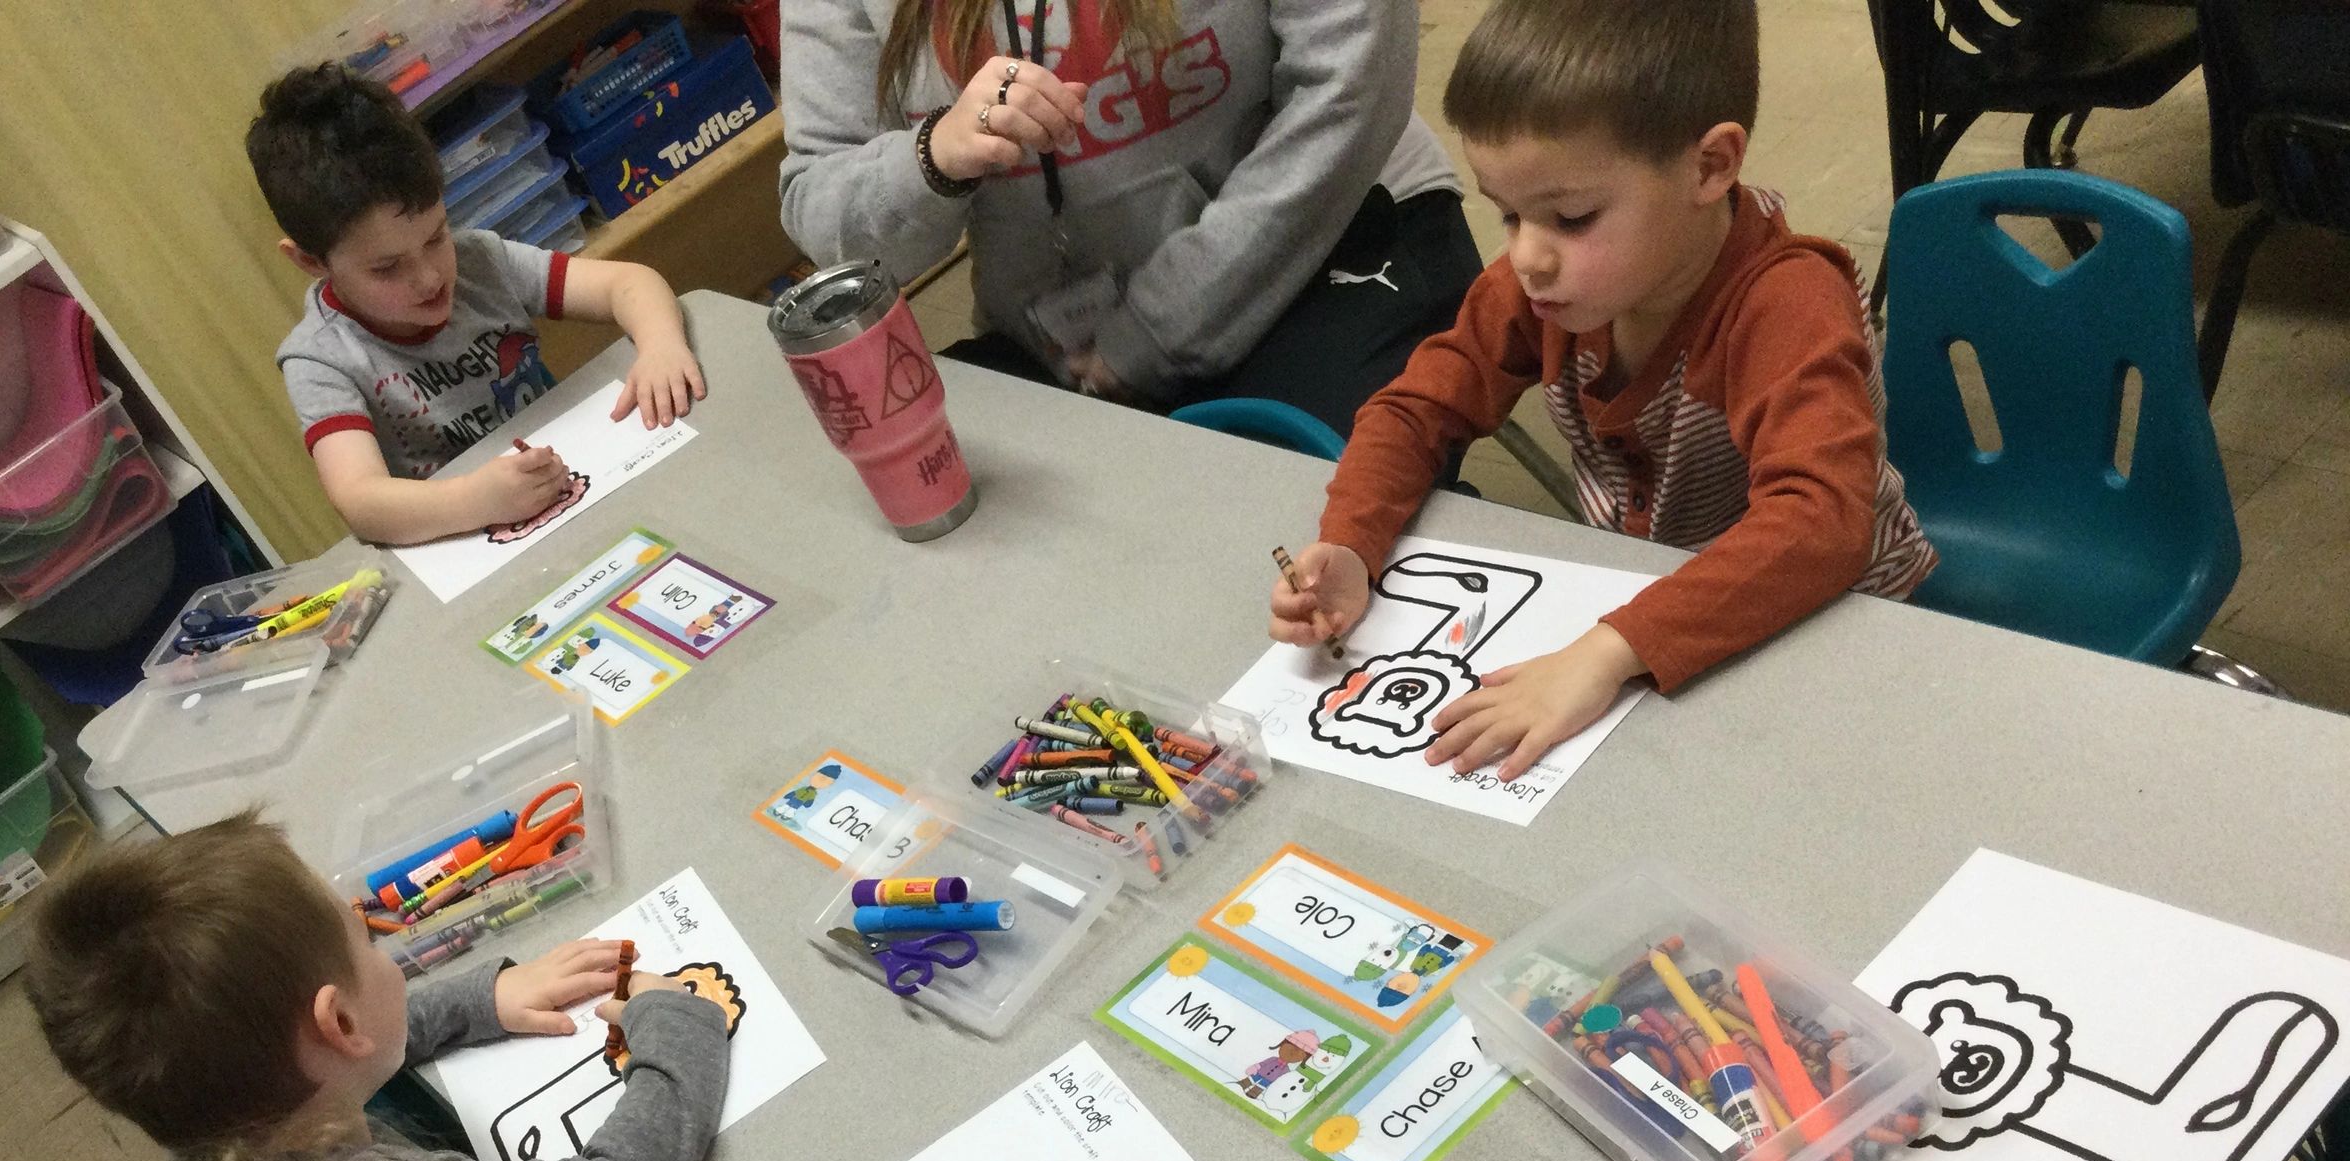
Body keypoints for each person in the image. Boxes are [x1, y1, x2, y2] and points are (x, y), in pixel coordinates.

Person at [1270, 0, 1937, 778]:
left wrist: (1603, 653)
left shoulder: (1786, 303)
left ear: (1711, 166)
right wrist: (1351, 541)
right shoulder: (1549, 287)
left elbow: (1820, 525)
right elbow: (1416, 407)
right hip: (1659, 610)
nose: (1527, 256)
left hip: (1838, 627)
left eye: (1573, 217)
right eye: (1508, 214)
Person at [21, 814, 728, 1161]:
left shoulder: (210, 1137)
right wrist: (677, 1020)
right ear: (339, 1020)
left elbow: (342, 1041)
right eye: (366, 940)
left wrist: (482, 999)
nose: (383, 954)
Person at [778, 0, 1482, 439]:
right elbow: (825, 214)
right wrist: (932, 159)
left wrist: (1155, 331)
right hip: (1069, 343)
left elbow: (1350, 93)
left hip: (1322, 237)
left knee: (1304, 529)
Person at [248, 64, 705, 545]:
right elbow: (361, 503)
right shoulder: (321, 359)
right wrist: (477, 498)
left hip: (573, 486)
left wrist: (660, 346)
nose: (428, 278)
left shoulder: (481, 261)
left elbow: (629, 283)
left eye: (435, 237)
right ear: (309, 260)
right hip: (466, 538)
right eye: (386, 268)